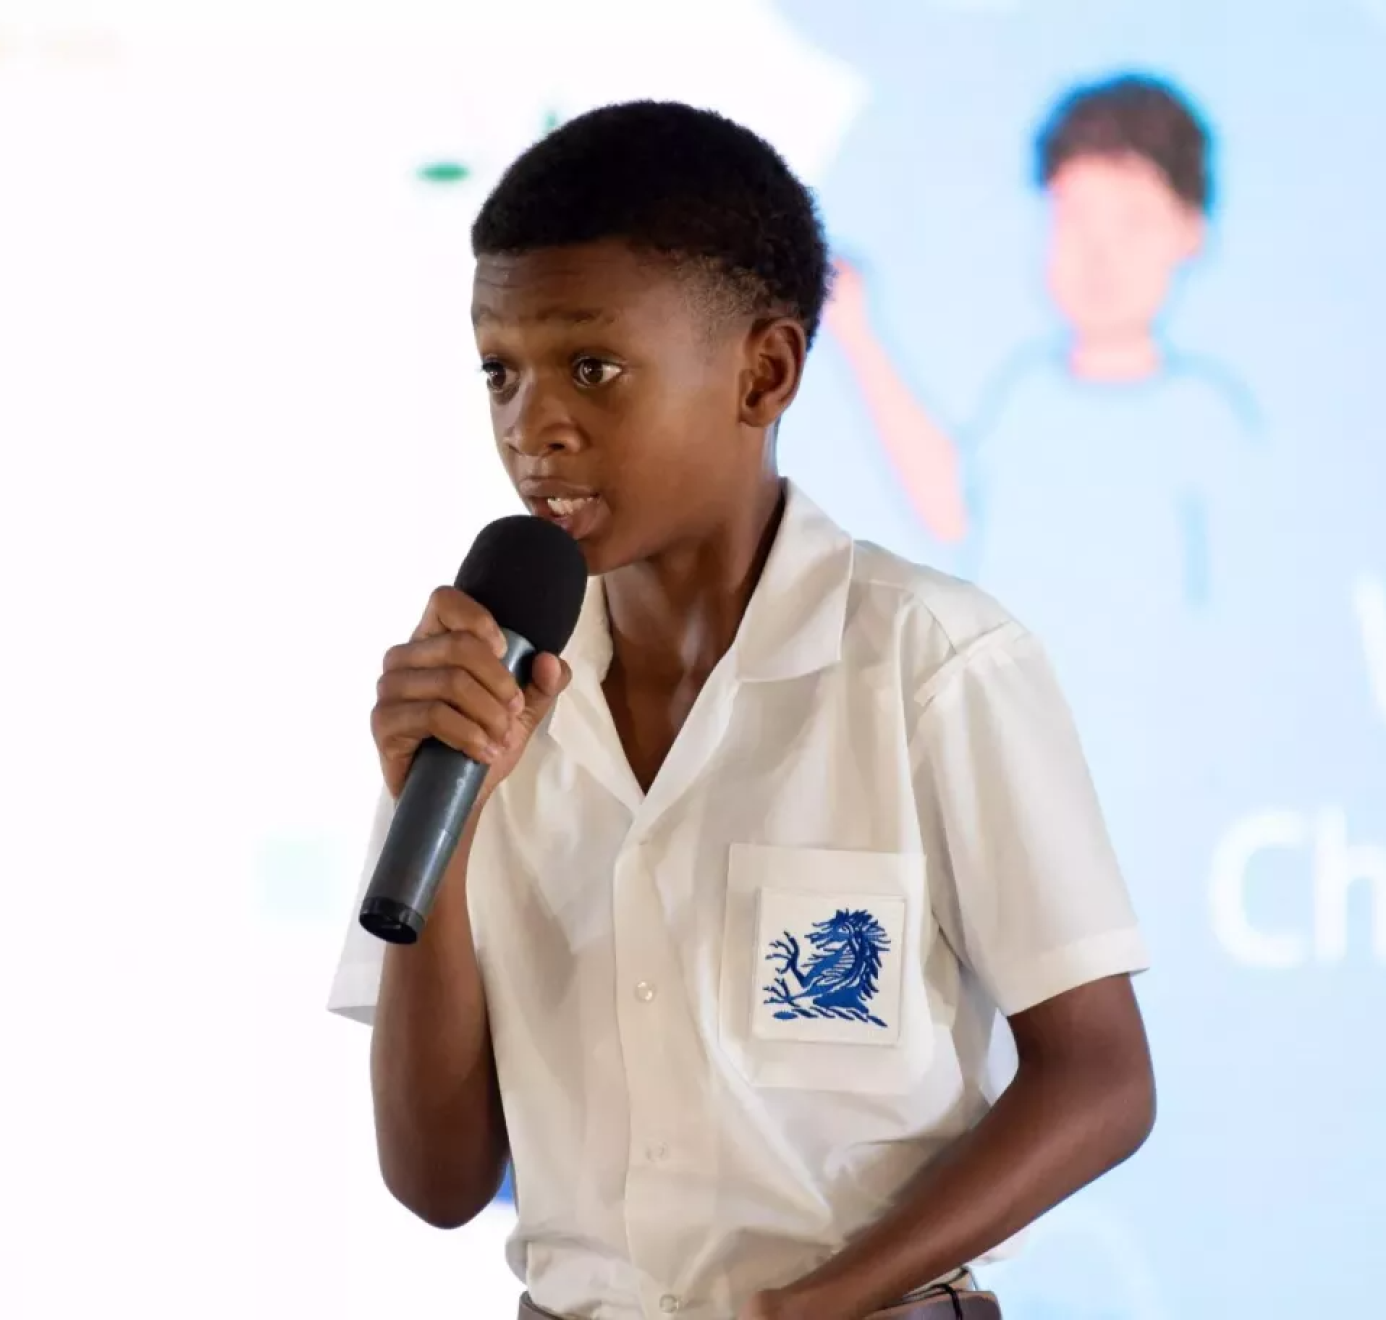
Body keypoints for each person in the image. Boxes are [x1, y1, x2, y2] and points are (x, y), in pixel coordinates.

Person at [328, 100, 1156, 1320]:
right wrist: (434, 826)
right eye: (500, 372)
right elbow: (439, 1179)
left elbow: (1101, 1080)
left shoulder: (930, 663)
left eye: (591, 368)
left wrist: (813, 1307)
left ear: (763, 373)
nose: (532, 426)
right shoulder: (483, 693)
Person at [826, 74, 1260, 659]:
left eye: (1132, 220)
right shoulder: (1029, 395)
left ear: (1190, 232)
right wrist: (857, 332)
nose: (1098, 253)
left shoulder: (1204, 419)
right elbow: (954, 509)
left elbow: (1244, 610)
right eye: (1075, 216)